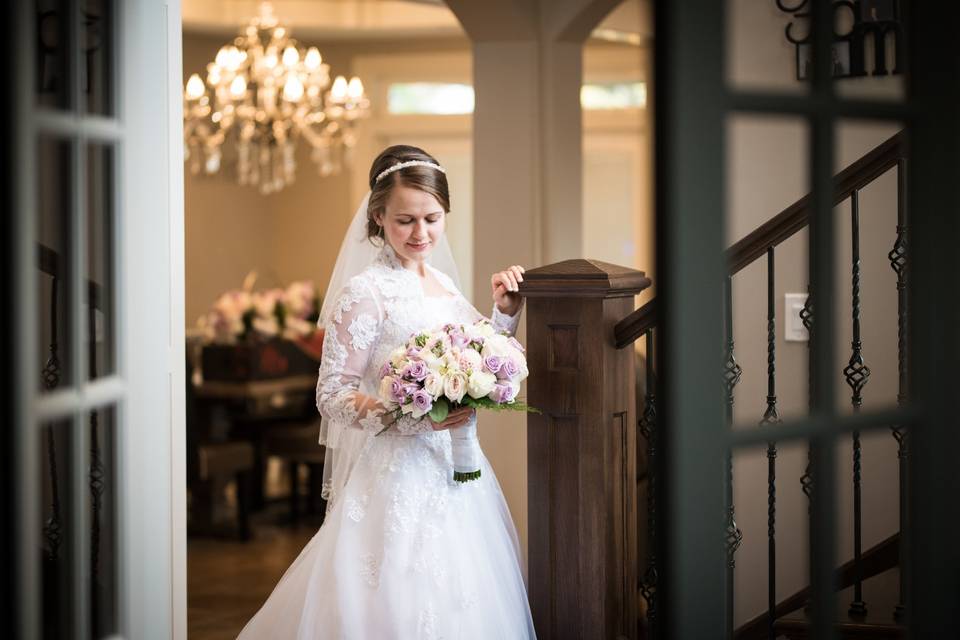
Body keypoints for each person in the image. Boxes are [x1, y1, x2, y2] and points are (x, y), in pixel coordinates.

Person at [236, 145, 536, 639]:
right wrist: (414, 417)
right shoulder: (365, 292)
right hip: (396, 478)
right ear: (378, 216)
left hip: (458, 473)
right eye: (405, 220)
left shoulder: (442, 284)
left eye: (432, 218)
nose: (421, 233)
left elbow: (479, 356)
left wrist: (504, 312)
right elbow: (332, 394)